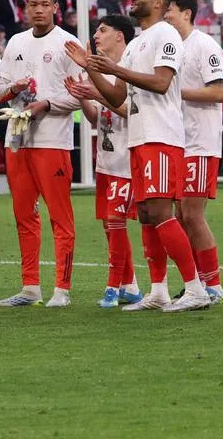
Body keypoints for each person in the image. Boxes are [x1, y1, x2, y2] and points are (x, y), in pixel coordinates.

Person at [66, 0, 211, 313]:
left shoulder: (166, 35)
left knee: (160, 211)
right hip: (139, 139)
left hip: (161, 136)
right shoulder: (134, 46)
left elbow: (161, 83)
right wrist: (91, 67)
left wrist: (115, 68)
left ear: (159, 2)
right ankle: (158, 290)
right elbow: (117, 97)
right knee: (146, 215)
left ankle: (195, 288)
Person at [0, 0, 84, 308]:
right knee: (23, 214)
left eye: (45, 4)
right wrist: (11, 87)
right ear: (25, 8)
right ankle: (30, 286)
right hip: (19, 140)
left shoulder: (67, 43)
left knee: (60, 216)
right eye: (33, 5)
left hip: (52, 141)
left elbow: (79, 93)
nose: (39, 10)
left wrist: (45, 103)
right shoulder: (16, 42)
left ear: (56, 7)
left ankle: (62, 288)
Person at [76, 15, 143, 309]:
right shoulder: (99, 72)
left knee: (116, 223)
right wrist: (82, 98)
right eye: (95, 30)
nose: (96, 35)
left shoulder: (130, 70)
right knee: (109, 226)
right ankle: (132, 286)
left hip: (126, 160)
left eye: (102, 30)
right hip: (105, 161)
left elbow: (134, 111)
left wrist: (99, 95)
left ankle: (113, 286)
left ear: (120, 36)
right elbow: (96, 120)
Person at [166, 0, 223, 302]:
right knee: (179, 215)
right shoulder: (171, 47)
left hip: (200, 143)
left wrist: (176, 92)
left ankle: (213, 285)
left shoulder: (204, 45)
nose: (165, 15)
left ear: (186, 13)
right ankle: (197, 284)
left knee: (191, 214)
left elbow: (218, 92)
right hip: (178, 142)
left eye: (170, 10)